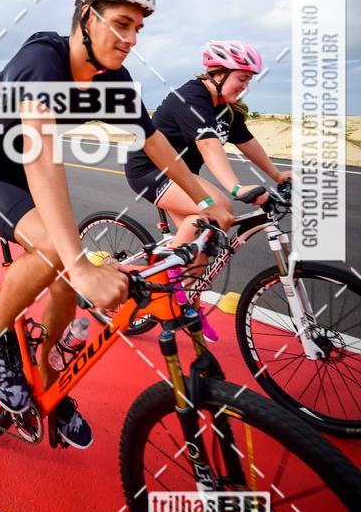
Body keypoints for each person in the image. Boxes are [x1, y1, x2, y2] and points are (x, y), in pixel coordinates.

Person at [0, 0, 233, 449]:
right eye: (122, 23)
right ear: (85, 17)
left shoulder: (112, 79)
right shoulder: (43, 59)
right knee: (61, 251)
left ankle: (45, 375)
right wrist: (79, 264)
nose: (132, 38)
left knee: (61, 275)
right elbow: (39, 155)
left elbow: (155, 142)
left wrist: (207, 198)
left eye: (138, 28)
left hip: (22, 173)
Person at [125, 40, 292, 340]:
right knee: (219, 205)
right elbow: (207, 144)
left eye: (248, 81)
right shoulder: (191, 97)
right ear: (218, 74)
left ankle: (186, 300)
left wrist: (277, 175)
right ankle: (167, 280)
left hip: (183, 176)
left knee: (205, 240)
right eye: (242, 79)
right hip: (150, 170)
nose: (245, 86)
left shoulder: (227, 110)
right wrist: (235, 187)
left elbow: (248, 144)